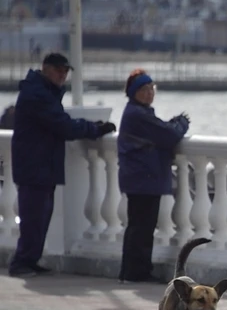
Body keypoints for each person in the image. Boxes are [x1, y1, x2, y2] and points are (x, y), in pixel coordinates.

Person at [8, 52, 116, 278]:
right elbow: (63, 125)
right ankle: (21, 262)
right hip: (34, 166)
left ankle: (30, 260)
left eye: (65, 71)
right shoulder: (38, 94)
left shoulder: (42, 92)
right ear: (45, 68)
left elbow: (60, 122)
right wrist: (94, 129)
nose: (62, 75)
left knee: (41, 216)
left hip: (41, 165)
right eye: (59, 70)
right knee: (33, 217)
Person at [117, 69, 190, 283]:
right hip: (143, 178)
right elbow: (169, 135)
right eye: (143, 89)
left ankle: (131, 271)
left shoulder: (138, 113)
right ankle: (136, 272)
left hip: (140, 178)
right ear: (133, 93)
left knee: (139, 226)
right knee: (141, 227)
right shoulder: (138, 114)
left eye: (151, 88)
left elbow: (161, 131)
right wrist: (182, 122)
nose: (149, 93)